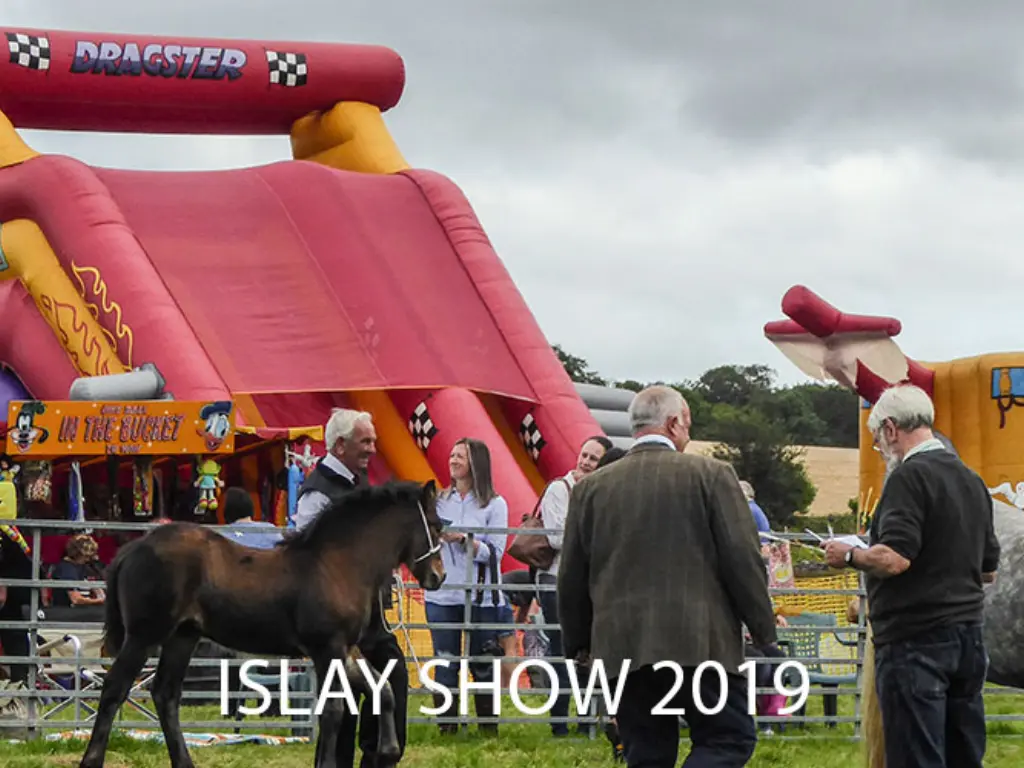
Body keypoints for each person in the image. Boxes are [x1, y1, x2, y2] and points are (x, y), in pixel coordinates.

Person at [558, 385, 779, 767]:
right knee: (728, 739)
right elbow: (742, 559)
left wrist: (579, 643)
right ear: (674, 423)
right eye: (688, 425)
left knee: (646, 754)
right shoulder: (712, 475)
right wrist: (764, 630)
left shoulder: (591, 489)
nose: (688, 435)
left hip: (622, 647)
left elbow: (572, 575)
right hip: (700, 643)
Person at [824, 384, 1000, 768]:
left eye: (877, 441)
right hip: (967, 640)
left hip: (915, 641)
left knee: (916, 757)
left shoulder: (907, 478)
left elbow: (895, 559)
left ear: (890, 429)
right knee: (964, 754)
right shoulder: (972, 481)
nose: (881, 450)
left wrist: (850, 554)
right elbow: (988, 570)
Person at [293, 408, 408, 768]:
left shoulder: (359, 483)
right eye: (366, 441)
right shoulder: (317, 492)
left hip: (368, 613)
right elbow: (307, 558)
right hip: (335, 620)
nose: (373, 448)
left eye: (373, 440)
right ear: (340, 445)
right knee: (341, 709)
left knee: (392, 674)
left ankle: (377, 757)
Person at [424, 438, 509, 735]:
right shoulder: (439, 500)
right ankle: (447, 728)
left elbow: (496, 553)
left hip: (480, 596)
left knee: (483, 663)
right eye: (452, 454)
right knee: (445, 662)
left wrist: (463, 540)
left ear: (477, 463)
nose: (453, 460)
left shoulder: (495, 504)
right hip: (442, 595)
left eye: (460, 455)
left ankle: (488, 729)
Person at [534, 434, 611, 736]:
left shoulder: (601, 491)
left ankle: (585, 720)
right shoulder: (559, 488)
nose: (586, 462)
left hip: (590, 582)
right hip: (557, 578)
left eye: (594, 458)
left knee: (586, 654)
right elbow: (556, 537)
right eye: (584, 455)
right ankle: (558, 722)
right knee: (561, 650)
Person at [0, 524, 32, 685]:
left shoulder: (7, 532)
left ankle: (20, 688)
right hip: (11, 594)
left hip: (12, 597)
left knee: (15, 637)